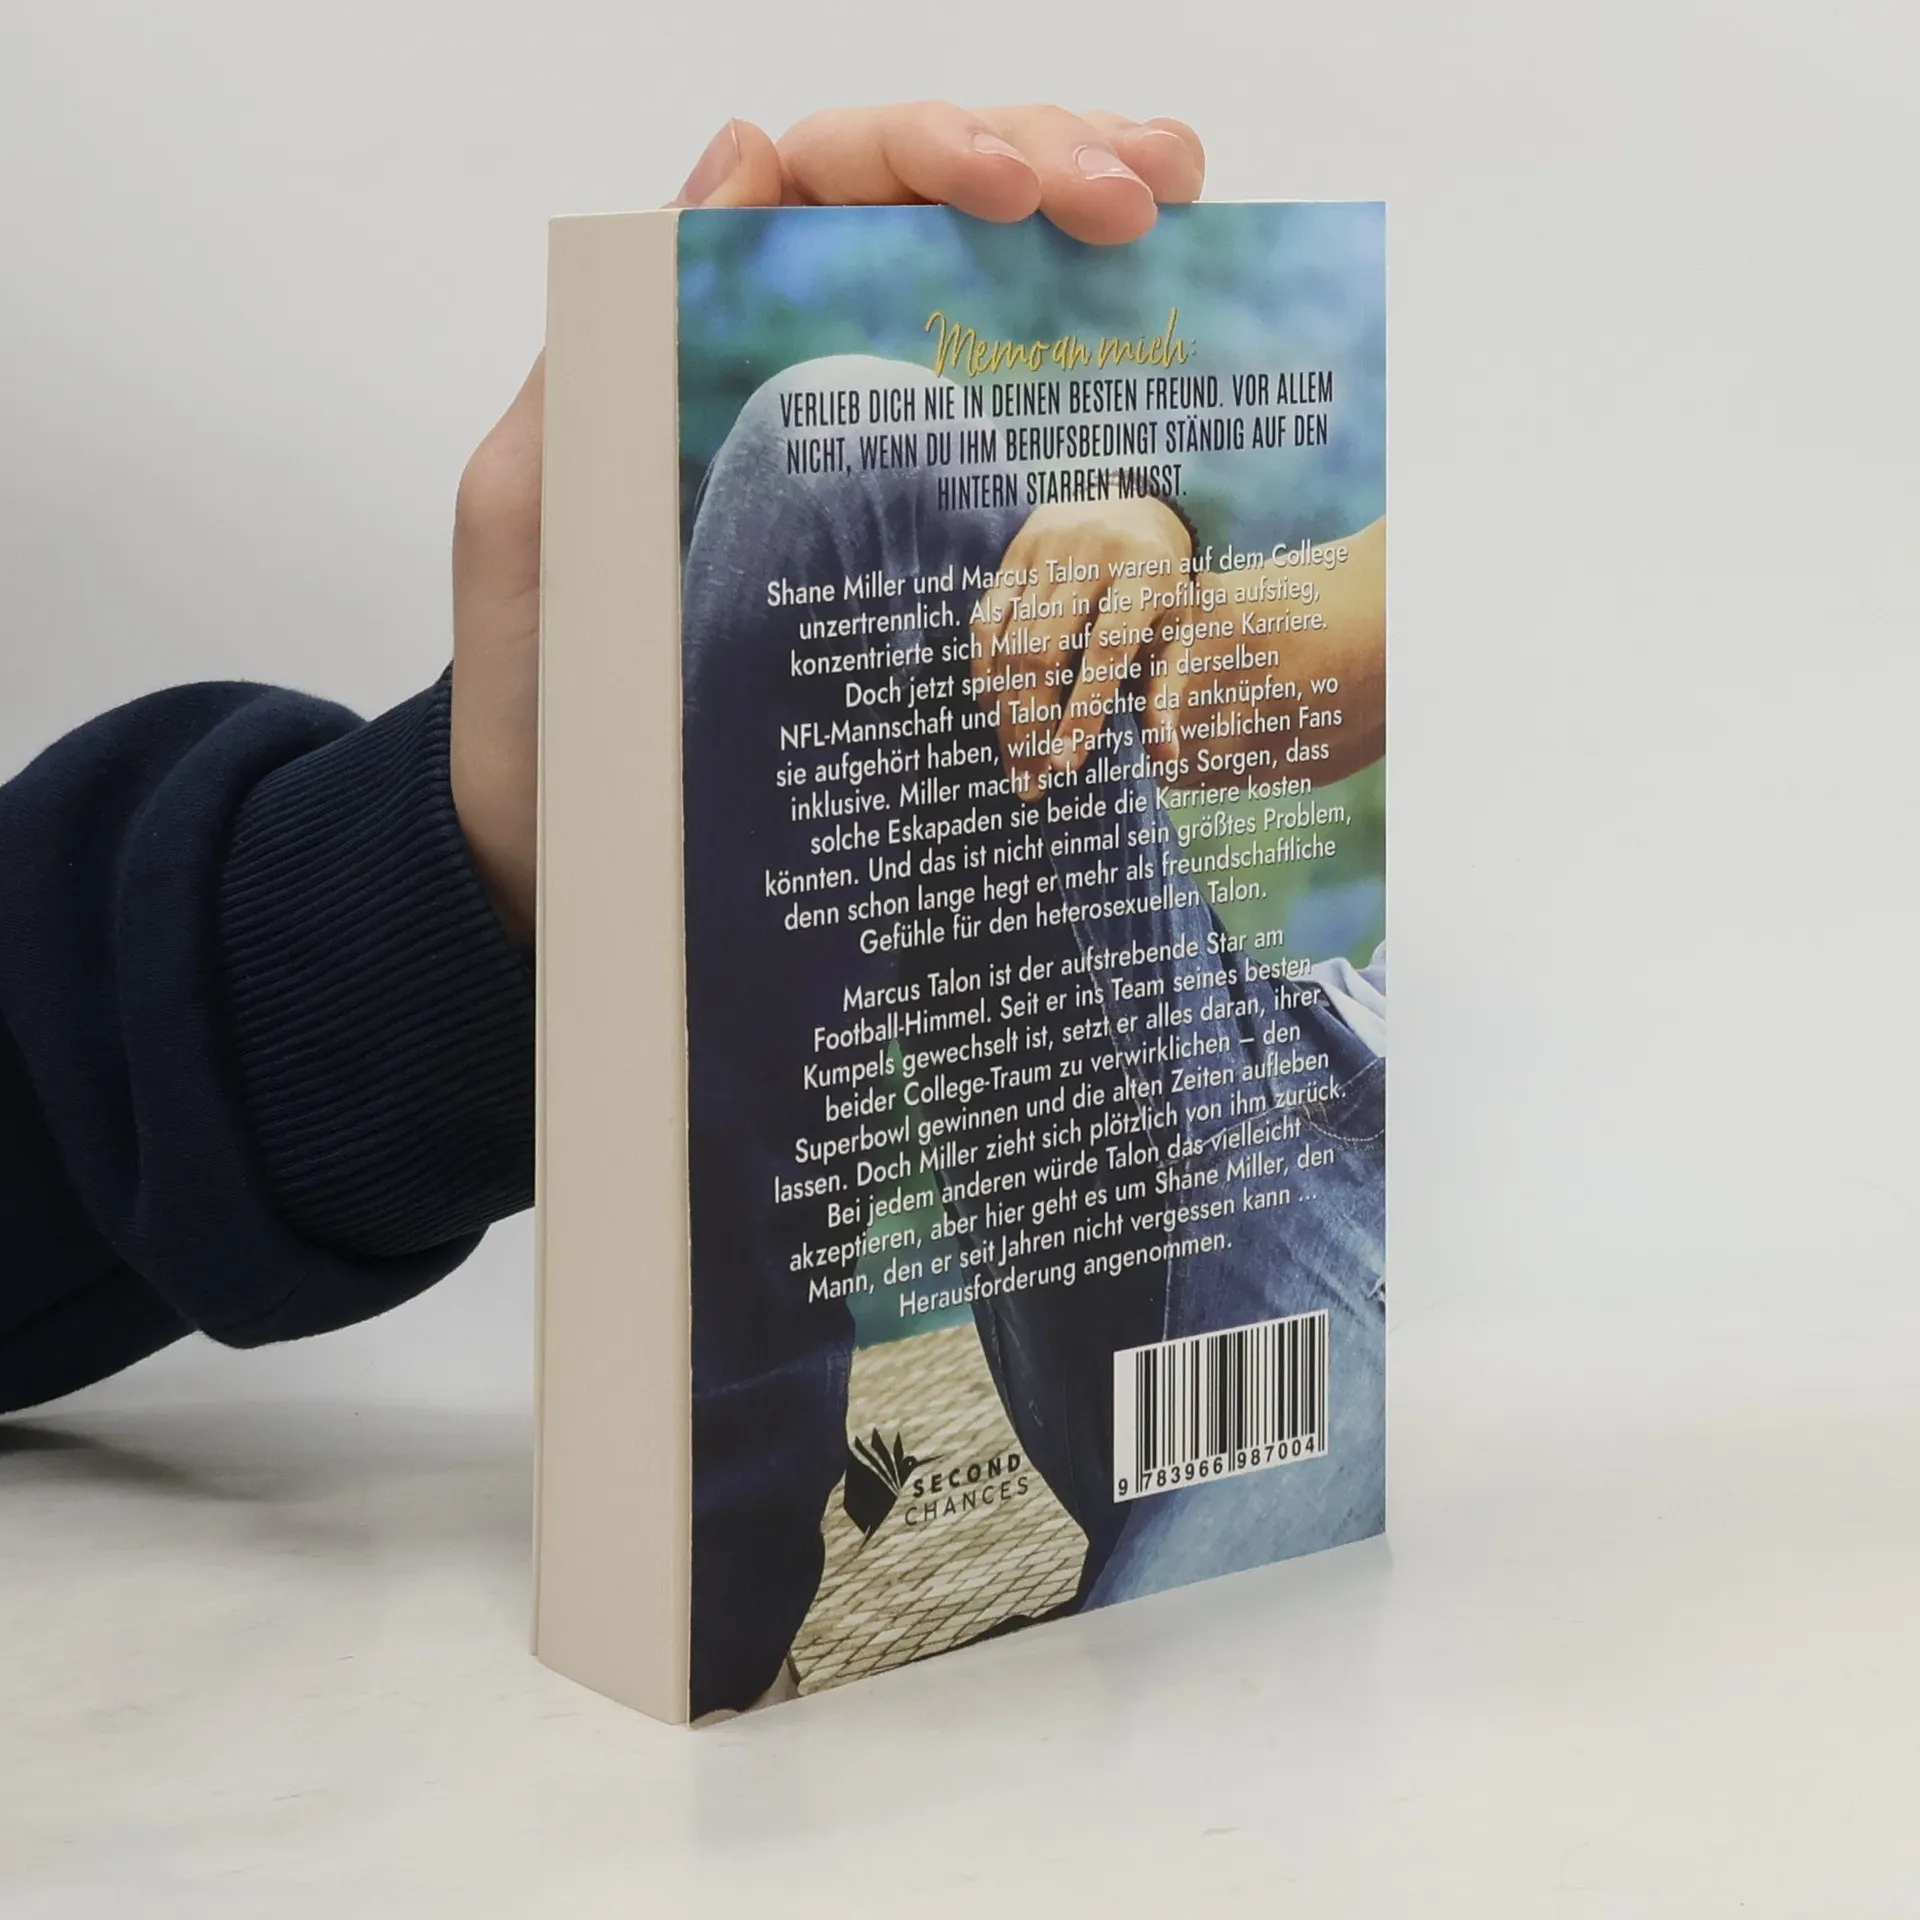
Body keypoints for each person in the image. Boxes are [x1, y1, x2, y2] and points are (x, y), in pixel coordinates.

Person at [681, 358, 1386, 1711]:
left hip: (1426, 1301)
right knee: (853, 453)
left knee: (1154, 1783)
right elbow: (1246, 683)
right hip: (1296, 1102)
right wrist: (1145, 527)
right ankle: (713, 1605)